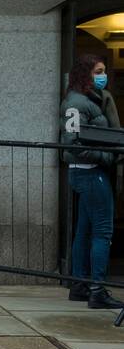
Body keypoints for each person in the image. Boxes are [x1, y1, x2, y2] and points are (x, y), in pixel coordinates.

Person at [61, 55, 123, 309]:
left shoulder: (87, 99)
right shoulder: (78, 102)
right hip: (91, 172)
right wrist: (107, 156)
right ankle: (97, 289)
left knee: (85, 230)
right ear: (86, 74)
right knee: (102, 232)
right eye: (99, 71)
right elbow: (72, 143)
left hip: (86, 172)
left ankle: (80, 285)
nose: (103, 75)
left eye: (104, 71)